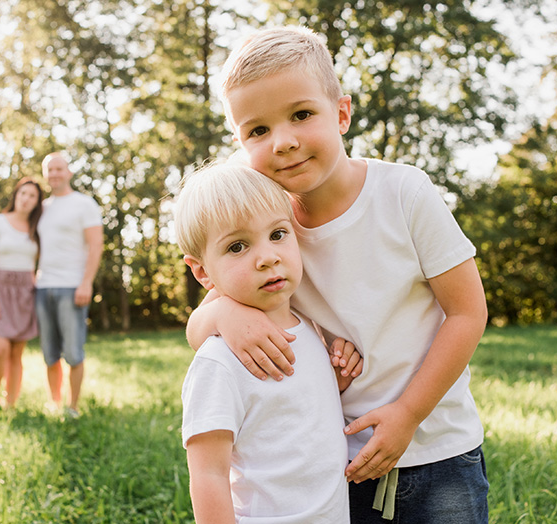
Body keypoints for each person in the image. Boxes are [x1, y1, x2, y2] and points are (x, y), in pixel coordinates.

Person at [186, 26, 490, 523]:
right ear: (240, 143)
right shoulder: (268, 229)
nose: (283, 142)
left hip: (438, 451)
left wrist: (408, 414)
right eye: (257, 130)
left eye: (302, 115)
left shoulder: (404, 193)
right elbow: (198, 328)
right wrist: (225, 313)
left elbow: (467, 311)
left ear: (342, 114)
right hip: (337, 465)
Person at [175, 160, 362, 523]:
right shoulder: (219, 361)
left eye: (278, 234)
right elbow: (208, 473)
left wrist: (337, 375)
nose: (267, 257)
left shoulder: (312, 327)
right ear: (202, 271)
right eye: (237, 246)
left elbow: (292, 412)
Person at [35, 152, 103, 418]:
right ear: (45, 174)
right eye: (49, 169)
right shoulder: (41, 208)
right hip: (42, 287)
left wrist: (86, 282)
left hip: (72, 286)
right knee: (49, 352)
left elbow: (96, 245)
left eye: (59, 168)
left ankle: (73, 407)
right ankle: (55, 403)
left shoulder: (84, 204)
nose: (54, 173)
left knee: (73, 352)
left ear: (69, 172)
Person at [0, 177, 43, 412]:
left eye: (32, 196)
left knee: (15, 354)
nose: (26, 199)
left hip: (24, 292)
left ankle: (11, 405)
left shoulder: (37, 228)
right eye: (23, 193)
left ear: (37, 202)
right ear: (16, 195)